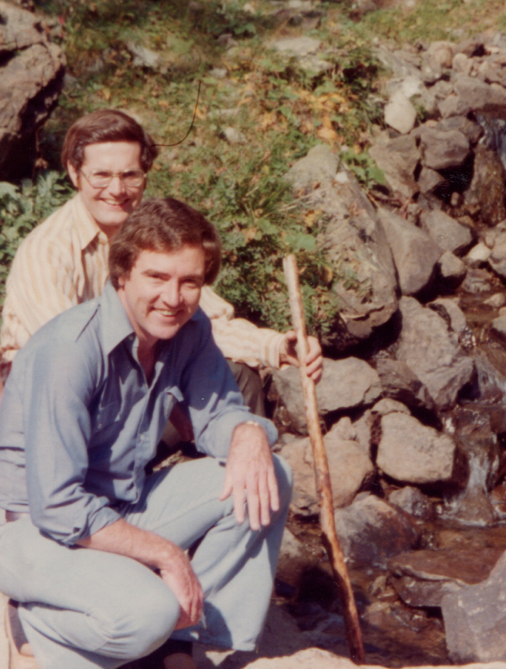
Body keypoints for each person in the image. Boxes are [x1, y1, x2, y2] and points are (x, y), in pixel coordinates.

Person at [0, 198, 293, 669]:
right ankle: (34, 624)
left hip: (122, 506)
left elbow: (217, 415)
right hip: (35, 532)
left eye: (189, 282)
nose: (173, 298)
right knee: (148, 612)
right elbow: (57, 506)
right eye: (156, 277)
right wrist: (168, 556)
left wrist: (248, 433)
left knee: (269, 475)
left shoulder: (189, 330)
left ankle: (187, 638)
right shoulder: (69, 351)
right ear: (122, 275)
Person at [0, 108, 323, 414]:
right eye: (101, 175)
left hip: (132, 382)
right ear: (74, 172)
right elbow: (68, 356)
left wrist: (278, 346)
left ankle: (244, 465)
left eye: (130, 175)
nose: (117, 190)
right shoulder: (47, 251)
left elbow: (199, 319)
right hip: (59, 403)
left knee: (236, 378)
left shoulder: (150, 235)